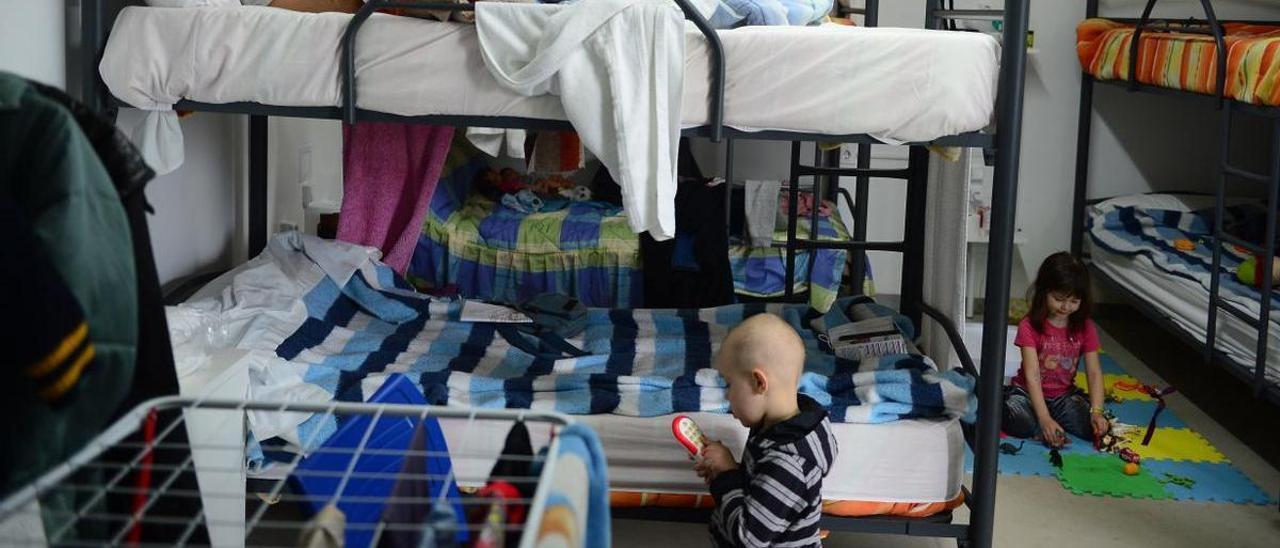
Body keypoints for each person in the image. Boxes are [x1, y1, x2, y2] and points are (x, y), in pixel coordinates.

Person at [693, 313, 837, 548]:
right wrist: (727, 474)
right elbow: (761, 491)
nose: (727, 397)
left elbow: (748, 537)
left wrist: (727, 475)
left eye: (729, 384)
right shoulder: (776, 432)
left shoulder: (789, 462)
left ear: (759, 383)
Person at [1003, 252, 1109, 448]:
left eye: (1074, 301)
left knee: (1093, 427)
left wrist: (1097, 412)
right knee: (1022, 423)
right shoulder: (1029, 326)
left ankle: (1049, 423)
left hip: (1062, 397)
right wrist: (1044, 419)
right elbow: (1032, 375)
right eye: (1059, 299)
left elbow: (1094, 373)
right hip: (1027, 393)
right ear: (1044, 292)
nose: (1066, 307)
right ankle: (1038, 420)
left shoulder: (1085, 327)